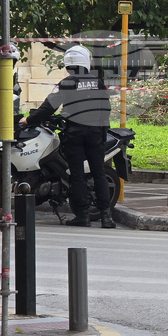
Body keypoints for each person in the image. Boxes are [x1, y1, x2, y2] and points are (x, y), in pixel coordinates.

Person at [21, 45, 114, 229]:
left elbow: (48, 107)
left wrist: (29, 120)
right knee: (99, 174)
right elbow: (106, 110)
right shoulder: (98, 82)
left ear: (68, 64)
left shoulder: (66, 83)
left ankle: (83, 216)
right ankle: (106, 217)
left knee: (77, 176)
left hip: (75, 135)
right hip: (95, 133)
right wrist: (101, 133)